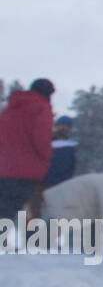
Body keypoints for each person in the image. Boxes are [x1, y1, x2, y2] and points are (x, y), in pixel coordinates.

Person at [0, 78, 56, 220]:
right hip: (25, 170)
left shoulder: (10, 109)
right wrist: (47, 157)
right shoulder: (42, 108)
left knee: (4, 208)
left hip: (4, 167)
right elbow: (42, 138)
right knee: (8, 212)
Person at [43, 115, 78, 188]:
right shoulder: (45, 140)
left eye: (68, 126)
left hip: (64, 184)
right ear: (56, 126)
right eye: (62, 125)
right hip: (43, 182)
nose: (65, 128)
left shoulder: (73, 144)